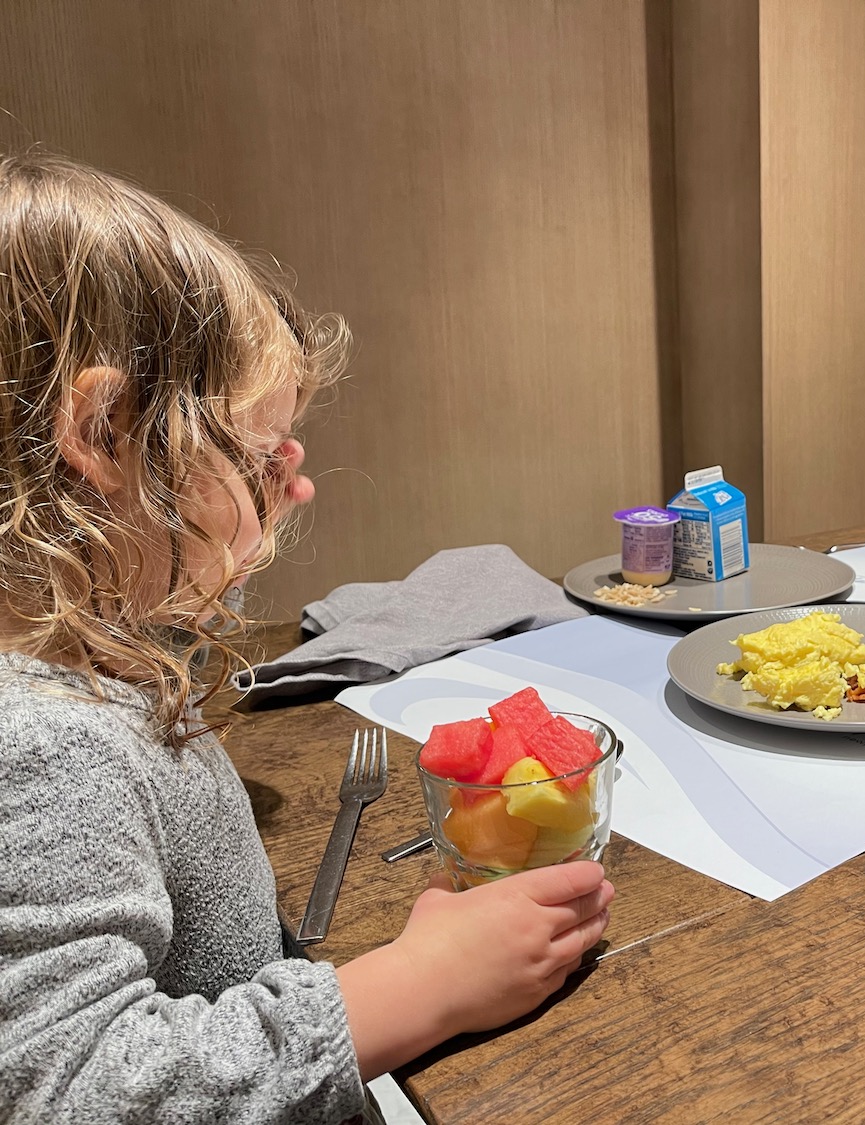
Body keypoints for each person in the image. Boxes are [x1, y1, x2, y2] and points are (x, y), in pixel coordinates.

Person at [0, 152, 613, 1123]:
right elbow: (64, 1087)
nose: (296, 488)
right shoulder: (38, 741)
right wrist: (419, 987)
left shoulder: (90, 664)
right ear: (106, 433)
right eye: (256, 458)